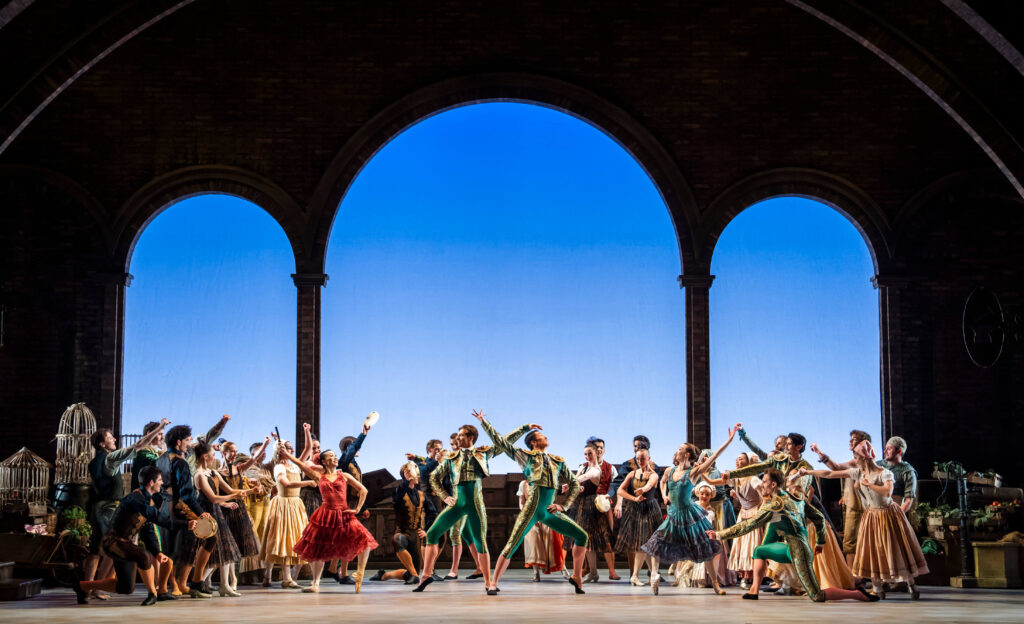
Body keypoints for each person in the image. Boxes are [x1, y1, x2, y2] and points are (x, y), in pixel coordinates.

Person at [708, 468, 878, 603]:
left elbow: (749, 525)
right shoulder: (796, 498)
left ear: (774, 485)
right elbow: (818, 517)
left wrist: (718, 534)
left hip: (799, 552)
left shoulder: (775, 505)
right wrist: (819, 542)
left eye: (765, 482)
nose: (762, 484)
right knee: (759, 550)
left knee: (817, 595)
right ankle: (754, 591)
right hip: (794, 547)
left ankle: (858, 594)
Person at [477, 412, 590, 595]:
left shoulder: (556, 460)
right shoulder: (525, 456)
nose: (545, 436)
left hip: (548, 510)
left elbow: (575, 483)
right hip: (532, 509)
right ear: (533, 442)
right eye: (541, 436)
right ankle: (493, 583)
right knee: (512, 544)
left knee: (582, 536)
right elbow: (500, 442)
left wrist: (564, 506)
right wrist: (486, 422)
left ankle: (577, 577)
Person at [798, 440, 928, 599]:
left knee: (894, 549)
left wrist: (869, 485)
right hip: (872, 515)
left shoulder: (884, 472)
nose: (854, 460)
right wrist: (808, 472)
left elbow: (887, 492)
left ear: (864, 458)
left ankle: (910, 583)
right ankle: (877, 586)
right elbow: (830, 474)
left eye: (856, 457)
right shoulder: (858, 472)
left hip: (888, 514)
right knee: (872, 550)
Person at [70, 465, 200, 606]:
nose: (162, 483)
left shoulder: (147, 500)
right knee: (142, 555)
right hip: (114, 543)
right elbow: (156, 517)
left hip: (124, 545)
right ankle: (153, 594)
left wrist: (157, 552)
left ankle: (82, 586)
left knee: (125, 587)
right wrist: (185, 524)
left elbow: (148, 529)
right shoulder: (135, 498)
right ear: (151, 482)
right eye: (160, 480)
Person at [413, 418, 513, 593]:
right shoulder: (451, 458)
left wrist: (523, 428)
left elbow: (503, 441)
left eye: (461, 435)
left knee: (480, 541)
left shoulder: (483, 453)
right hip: (458, 503)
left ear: (471, 437)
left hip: (475, 504)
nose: (457, 438)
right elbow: (434, 478)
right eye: (457, 435)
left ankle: (489, 583)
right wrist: (444, 496)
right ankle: (426, 575)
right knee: (432, 534)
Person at [642, 425, 739, 596]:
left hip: (690, 515)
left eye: (680, 449)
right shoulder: (669, 471)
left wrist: (730, 440)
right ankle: (654, 575)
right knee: (656, 542)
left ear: (686, 454)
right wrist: (664, 496)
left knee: (706, 546)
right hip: (674, 514)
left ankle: (716, 584)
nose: (677, 450)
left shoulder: (692, 473)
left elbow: (715, 455)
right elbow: (663, 482)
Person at [84, 420, 169, 600]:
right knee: (116, 546)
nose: (114, 439)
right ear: (102, 444)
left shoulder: (93, 462)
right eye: (109, 438)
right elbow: (137, 446)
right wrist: (160, 428)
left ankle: (86, 587)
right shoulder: (110, 458)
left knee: (95, 550)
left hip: (97, 507)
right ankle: (98, 586)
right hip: (109, 507)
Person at [282, 445, 377, 593]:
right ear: (324, 462)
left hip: (343, 513)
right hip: (325, 514)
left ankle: (360, 572)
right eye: (331, 456)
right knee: (318, 548)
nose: (334, 457)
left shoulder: (344, 475)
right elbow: (300, 464)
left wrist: (358, 508)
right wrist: (287, 454)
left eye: (335, 455)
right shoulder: (319, 476)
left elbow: (363, 490)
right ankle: (315, 583)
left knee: (365, 541)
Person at [183, 441, 249, 597]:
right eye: (213, 454)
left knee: (224, 550)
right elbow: (212, 498)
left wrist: (249, 491)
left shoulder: (212, 472)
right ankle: (197, 583)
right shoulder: (199, 475)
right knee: (210, 550)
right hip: (207, 513)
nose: (215, 457)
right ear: (205, 456)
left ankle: (222, 585)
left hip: (217, 512)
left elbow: (231, 489)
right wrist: (234, 495)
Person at [810, 429, 872, 567]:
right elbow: (836, 468)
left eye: (854, 439)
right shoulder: (855, 462)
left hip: (861, 508)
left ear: (863, 443)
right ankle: (857, 577)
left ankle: (855, 578)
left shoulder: (862, 463)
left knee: (853, 542)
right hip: (855, 507)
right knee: (853, 542)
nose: (850, 441)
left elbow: (835, 470)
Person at [260, 438, 314, 589]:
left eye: (291, 448)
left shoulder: (295, 466)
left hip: (295, 504)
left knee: (293, 539)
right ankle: (282, 577)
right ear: (279, 450)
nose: (291, 450)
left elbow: (308, 448)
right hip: (283, 504)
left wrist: (306, 431)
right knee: (282, 539)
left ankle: (272, 575)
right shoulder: (279, 467)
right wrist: (307, 483)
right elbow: (285, 483)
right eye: (287, 447)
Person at [706, 452, 762, 589]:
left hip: (754, 514)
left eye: (741, 459)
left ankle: (753, 578)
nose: (737, 461)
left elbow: (764, 495)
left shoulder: (753, 479)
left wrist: (761, 510)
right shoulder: (735, 479)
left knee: (752, 545)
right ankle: (744, 576)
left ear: (748, 462)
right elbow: (712, 482)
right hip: (743, 514)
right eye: (736, 459)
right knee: (742, 546)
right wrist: (702, 472)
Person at [564, 443, 616, 583]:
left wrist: (570, 484)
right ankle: (593, 572)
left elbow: (583, 478)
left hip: (591, 507)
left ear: (596, 453)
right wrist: (577, 488)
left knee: (590, 540)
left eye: (590, 454)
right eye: (585, 454)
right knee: (584, 541)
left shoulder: (596, 470)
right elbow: (578, 479)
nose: (587, 457)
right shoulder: (583, 466)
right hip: (580, 506)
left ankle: (596, 572)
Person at [370, 461, 427, 584]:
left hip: (416, 536)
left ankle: (384, 575)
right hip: (404, 532)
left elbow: (432, 513)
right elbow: (397, 500)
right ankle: (414, 575)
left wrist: (425, 529)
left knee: (410, 573)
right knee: (397, 539)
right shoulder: (399, 491)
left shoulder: (421, 495)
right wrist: (406, 480)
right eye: (414, 473)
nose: (417, 476)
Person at [614, 446, 662, 586]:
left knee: (651, 543)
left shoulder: (653, 474)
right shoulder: (632, 474)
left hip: (650, 510)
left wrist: (643, 489)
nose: (640, 461)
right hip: (636, 510)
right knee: (642, 544)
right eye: (638, 459)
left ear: (649, 458)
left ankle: (651, 574)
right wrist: (634, 498)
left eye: (643, 458)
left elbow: (650, 485)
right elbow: (620, 490)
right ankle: (639, 575)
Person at [516, 478, 566, 581]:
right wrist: (526, 513)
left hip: (547, 514)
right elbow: (521, 502)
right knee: (534, 542)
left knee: (555, 541)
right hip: (532, 516)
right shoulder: (524, 484)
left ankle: (563, 568)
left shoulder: (547, 480)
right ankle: (536, 572)